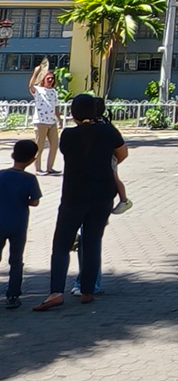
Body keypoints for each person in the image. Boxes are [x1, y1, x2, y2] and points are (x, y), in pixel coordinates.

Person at [33, 93, 127, 311]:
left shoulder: (68, 135)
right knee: (92, 242)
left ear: (73, 114)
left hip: (73, 195)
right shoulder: (109, 131)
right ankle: (87, 291)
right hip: (103, 194)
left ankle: (56, 292)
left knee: (61, 245)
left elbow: (68, 152)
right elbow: (122, 154)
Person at [0, 140, 42, 309]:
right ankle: (13, 295)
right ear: (32, 159)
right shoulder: (30, 179)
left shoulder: (1, 175)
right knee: (16, 260)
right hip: (18, 224)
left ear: (13, 155)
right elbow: (35, 201)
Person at [28, 63, 61, 176]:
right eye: (48, 78)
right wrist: (36, 72)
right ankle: (38, 169)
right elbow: (31, 86)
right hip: (40, 122)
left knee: (54, 145)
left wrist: (59, 119)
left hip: (52, 122)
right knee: (39, 147)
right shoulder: (38, 90)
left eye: (52, 78)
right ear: (43, 79)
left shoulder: (54, 92)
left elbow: (56, 107)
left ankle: (50, 167)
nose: (50, 80)